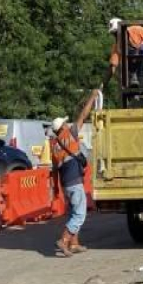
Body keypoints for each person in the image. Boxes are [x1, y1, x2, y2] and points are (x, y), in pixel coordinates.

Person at [51, 89, 100, 257]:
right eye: (65, 123)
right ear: (63, 127)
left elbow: (54, 170)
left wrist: (56, 189)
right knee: (80, 214)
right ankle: (64, 241)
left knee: (73, 212)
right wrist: (93, 97)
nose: (67, 124)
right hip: (74, 182)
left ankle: (74, 243)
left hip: (65, 184)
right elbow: (83, 115)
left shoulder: (55, 145)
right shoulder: (70, 134)